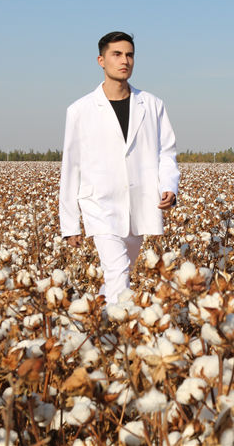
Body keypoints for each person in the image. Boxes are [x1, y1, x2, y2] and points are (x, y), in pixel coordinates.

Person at [59, 31, 180, 304]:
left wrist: (169, 186)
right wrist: (69, 223)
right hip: (99, 205)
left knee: (119, 274)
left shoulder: (153, 105)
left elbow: (166, 153)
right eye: (117, 54)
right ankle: (117, 335)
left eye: (129, 54)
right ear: (101, 60)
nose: (124, 60)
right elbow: (71, 166)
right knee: (118, 271)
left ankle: (99, 319)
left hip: (140, 204)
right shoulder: (79, 110)